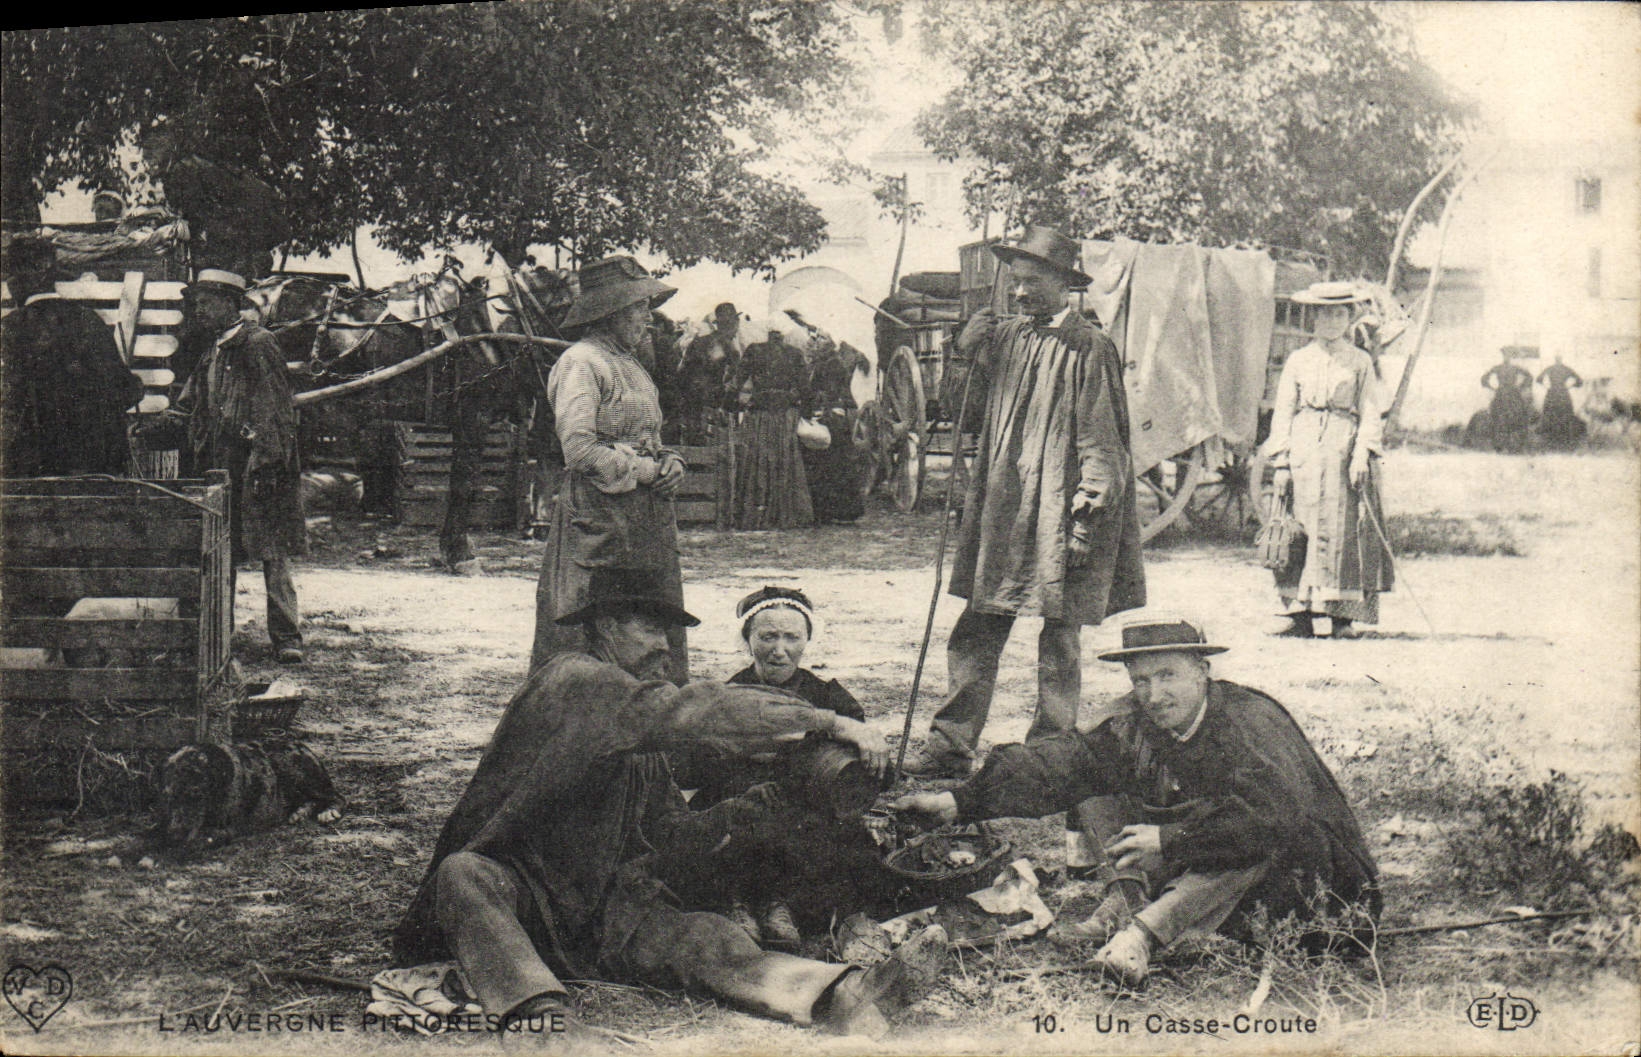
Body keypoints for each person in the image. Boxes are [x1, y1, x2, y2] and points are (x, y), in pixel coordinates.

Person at [393, 569, 949, 1040]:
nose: (664, 643)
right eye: (649, 627)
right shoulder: (576, 681)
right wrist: (830, 721)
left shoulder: (637, 729)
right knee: (464, 872)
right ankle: (539, 1017)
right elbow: (693, 709)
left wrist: (750, 809)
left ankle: (842, 995)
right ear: (606, 627)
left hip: (601, 904)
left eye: (668, 630)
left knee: (705, 935)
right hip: (523, 895)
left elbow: (671, 835)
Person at [893, 616, 1380, 987]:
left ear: (1202, 672)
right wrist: (959, 802)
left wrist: (1171, 840)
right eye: (1141, 680)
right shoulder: (1137, 719)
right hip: (1219, 873)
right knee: (1094, 776)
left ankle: (1142, 935)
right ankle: (1125, 904)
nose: (1154, 693)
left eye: (1167, 675)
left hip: (1316, 885)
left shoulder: (1249, 722)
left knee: (1255, 829)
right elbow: (1060, 763)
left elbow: (1277, 819)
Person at [902, 225, 1146, 779]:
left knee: (1059, 633)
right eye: (1014, 281)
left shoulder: (1090, 347)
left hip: (1060, 511)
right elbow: (956, 413)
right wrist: (966, 352)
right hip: (1006, 510)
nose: (1017, 292)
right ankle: (950, 741)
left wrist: (1090, 512)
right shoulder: (1006, 338)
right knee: (980, 621)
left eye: (1030, 281)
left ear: (1063, 285)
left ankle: (1049, 752)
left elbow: (1103, 441)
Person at [686, 586, 889, 950]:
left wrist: (866, 742)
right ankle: (741, 904)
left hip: (806, 810)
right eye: (767, 637)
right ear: (747, 640)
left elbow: (859, 766)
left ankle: (785, 907)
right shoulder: (730, 693)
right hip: (746, 803)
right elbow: (699, 764)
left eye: (791, 637)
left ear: (807, 640)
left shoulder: (828, 696)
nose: (779, 650)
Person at [529, 256, 690, 681]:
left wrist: (671, 462)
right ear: (612, 311)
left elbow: (648, 437)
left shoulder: (633, 365)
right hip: (598, 526)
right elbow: (579, 449)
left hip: (646, 523)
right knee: (589, 634)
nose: (647, 318)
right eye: (639, 308)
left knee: (650, 633)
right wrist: (646, 471)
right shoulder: (582, 362)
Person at [177, 268, 305, 663]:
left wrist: (266, 465)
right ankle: (220, 632)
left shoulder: (258, 344)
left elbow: (274, 410)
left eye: (205, 302)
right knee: (222, 550)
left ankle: (287, 638)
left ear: (230, 305)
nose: (198, 310)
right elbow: (191, 403)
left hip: (257, 466)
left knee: (272, 549)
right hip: (221, 466)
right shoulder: (213, 350)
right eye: (196, 303)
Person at [1263, 282, 1393, 641]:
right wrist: (1282, 463)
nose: (1331, 320)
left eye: (1339, 313)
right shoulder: (1298, 360)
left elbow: (1370, 412)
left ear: (1349, 317)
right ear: (1314, 317)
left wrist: (1362, 453)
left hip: (1342, 450)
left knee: (1342, 532)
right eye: (1324, 313)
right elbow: (1283, 412)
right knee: (1297, 531)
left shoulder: (1360, 361)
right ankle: (1299, 614)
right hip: (1304, 447)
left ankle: (1342, 618)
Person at [1, 236, 142, 478]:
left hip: (32, 466)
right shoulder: (90, 320)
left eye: (11, 274)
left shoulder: (10, 327)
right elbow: (125, 390)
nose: (9, 283)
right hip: (96, 466)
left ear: (28, 275)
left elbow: (9, 400)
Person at [729, 325, 814, 529]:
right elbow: (805, 389)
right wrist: (807, 414)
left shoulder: (754, 350)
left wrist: (732, 405)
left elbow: (737, 383)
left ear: (768, 334)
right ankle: (785, 512)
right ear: (783, 335)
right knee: (785, 460)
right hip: (785, 415)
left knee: (758, 460)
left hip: (760, 414)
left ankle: (756, 513)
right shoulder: (794, 354)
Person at [803, 337, 872, 523]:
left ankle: (831, 512)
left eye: (818, 344)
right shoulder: (831, 362)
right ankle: (842, 511)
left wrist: (816, 404)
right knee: (839, 464)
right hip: (837, 417)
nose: (814, 346)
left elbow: (829, 393)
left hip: (831, 418)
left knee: (829, 464)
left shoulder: (831, 365)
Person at [676, 302, 744, 443]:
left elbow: (682, 372)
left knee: (694, 445)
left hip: (692, 404)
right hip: (714, 407)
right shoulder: (730, 349)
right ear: (734, 324)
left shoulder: (698, 342)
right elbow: (733, 383)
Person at [1479, 348, 1536, 453]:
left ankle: (1516, 445)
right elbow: (1484, 379)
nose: (1507, 358)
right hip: (1503, 393)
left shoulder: (1514, 368)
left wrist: (1521, 387)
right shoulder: (1498, 368)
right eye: (1505, 355)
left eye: (1508, 356)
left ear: (1510, 357)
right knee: (1495, 416)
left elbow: (1529, 377)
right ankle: (1499, 445)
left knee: (1520, 415)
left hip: (1512, 393)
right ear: (1503, 357)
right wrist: (1491, 387)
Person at [1536, 353, 1587, 450]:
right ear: (1560, 359)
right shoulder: (1566, 369)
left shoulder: (1550, 368)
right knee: (1564, 415)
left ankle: (1552, 442)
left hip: (1552, 394)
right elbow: (1579, 381)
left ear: (1556, 359)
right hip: (1563, 394)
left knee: (1551, 415)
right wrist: (1570, 386)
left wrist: (1547, 387)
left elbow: (1539, 379)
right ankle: (1563, 442)